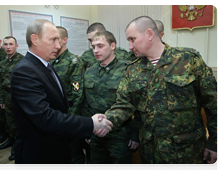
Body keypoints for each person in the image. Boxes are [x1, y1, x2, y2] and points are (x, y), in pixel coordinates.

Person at [104, 16, 219, 169]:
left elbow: (214, 103)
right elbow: (123, 106)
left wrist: (215, 143)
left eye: (132, 39)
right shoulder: (132, 70)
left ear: (150, 34)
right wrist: (103, 121)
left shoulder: (188, 60)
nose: (130, 46)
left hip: (186, 154)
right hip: (151, 155)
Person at [11, 19, 113, 170]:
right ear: (35, 40)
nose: (58, 46)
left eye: (58, 40)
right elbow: (44, 117)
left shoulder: (44, 65)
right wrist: (90, 124)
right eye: (53, 40)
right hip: (40, 156)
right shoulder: (25, 71)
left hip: (55, 148)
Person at [83, 31, 139, 170]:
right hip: (96, 135)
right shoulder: (89, 71)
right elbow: (86, 104)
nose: (96, 50)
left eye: (100, 46)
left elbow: (136, 104)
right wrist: (87, 129)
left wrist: (135, 134)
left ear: (112, 45)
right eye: (93, 46)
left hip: (120, 135)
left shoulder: (127, 69)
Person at [50, 26, 86, 170]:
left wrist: (71, 120)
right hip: (55, 115)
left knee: (74, 154)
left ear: (64, 40)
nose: (54, 42)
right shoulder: (52, 61)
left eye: (56, 38)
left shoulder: (73, 62)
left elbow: (78, 94)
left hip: (69, 114)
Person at [0, 36, 24, 160]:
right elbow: (3, 82)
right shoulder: (3, 61)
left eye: (11, 44)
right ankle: (12, 140)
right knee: (9, 122)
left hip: (18, 97)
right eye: (5, 44)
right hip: (7, 96)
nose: (8, 47)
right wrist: (2, 100)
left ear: (16, 46)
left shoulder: (22, 61)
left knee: (18, 123)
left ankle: (17, 146)